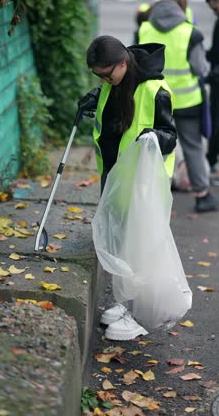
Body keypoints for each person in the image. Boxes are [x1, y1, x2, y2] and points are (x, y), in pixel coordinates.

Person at [79, 35, 177, 340]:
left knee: (143, 249)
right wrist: (95, 98)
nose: (104, 80)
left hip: (143, 185)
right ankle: (126, 304)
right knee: (124, 247)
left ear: (123, 63)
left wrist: (153, 137)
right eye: (98, 76)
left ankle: (143, 316)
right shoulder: (113, 85)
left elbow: (170, 136)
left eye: (107, 74)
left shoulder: (155, 91)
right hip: (116, 179)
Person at [136, 0, 219, 212]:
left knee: (156, 147)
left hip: (155, 100)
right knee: (192, 146)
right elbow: (200, 67)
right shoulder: (190, 33)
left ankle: (154, 197)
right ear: (182, 7)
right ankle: (202, 195)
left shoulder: (144, 29)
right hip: (187, 102)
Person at [205, 0, 219, 185]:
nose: (214, 12)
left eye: (215, 7)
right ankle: (211, 162)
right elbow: (216, 52)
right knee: (216, 124)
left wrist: (209, 76)